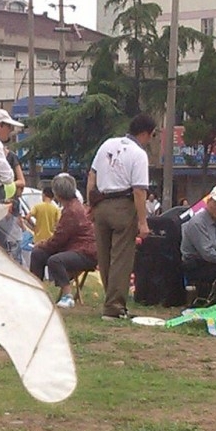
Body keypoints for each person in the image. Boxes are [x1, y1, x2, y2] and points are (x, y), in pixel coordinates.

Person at [87, 113, 155, 320]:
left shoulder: (107, 144)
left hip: (101, 204)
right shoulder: (138, 154)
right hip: (123, 206)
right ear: (146, 133)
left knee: (104, 256)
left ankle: (110, 299)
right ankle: (114, 307)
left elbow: (92, 176)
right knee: (121, 258)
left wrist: (90, 205)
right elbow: (139, 191)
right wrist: (143, 222)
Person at [30, 173, 97, 308]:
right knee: (38, 254)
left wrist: (42, 244)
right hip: (75, 248)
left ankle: (67, 296)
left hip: (85, 252)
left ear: (57, 193)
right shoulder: (73, 206)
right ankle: (35, 290)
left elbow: (58, 240)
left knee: (55, 260)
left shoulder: (71, 211)